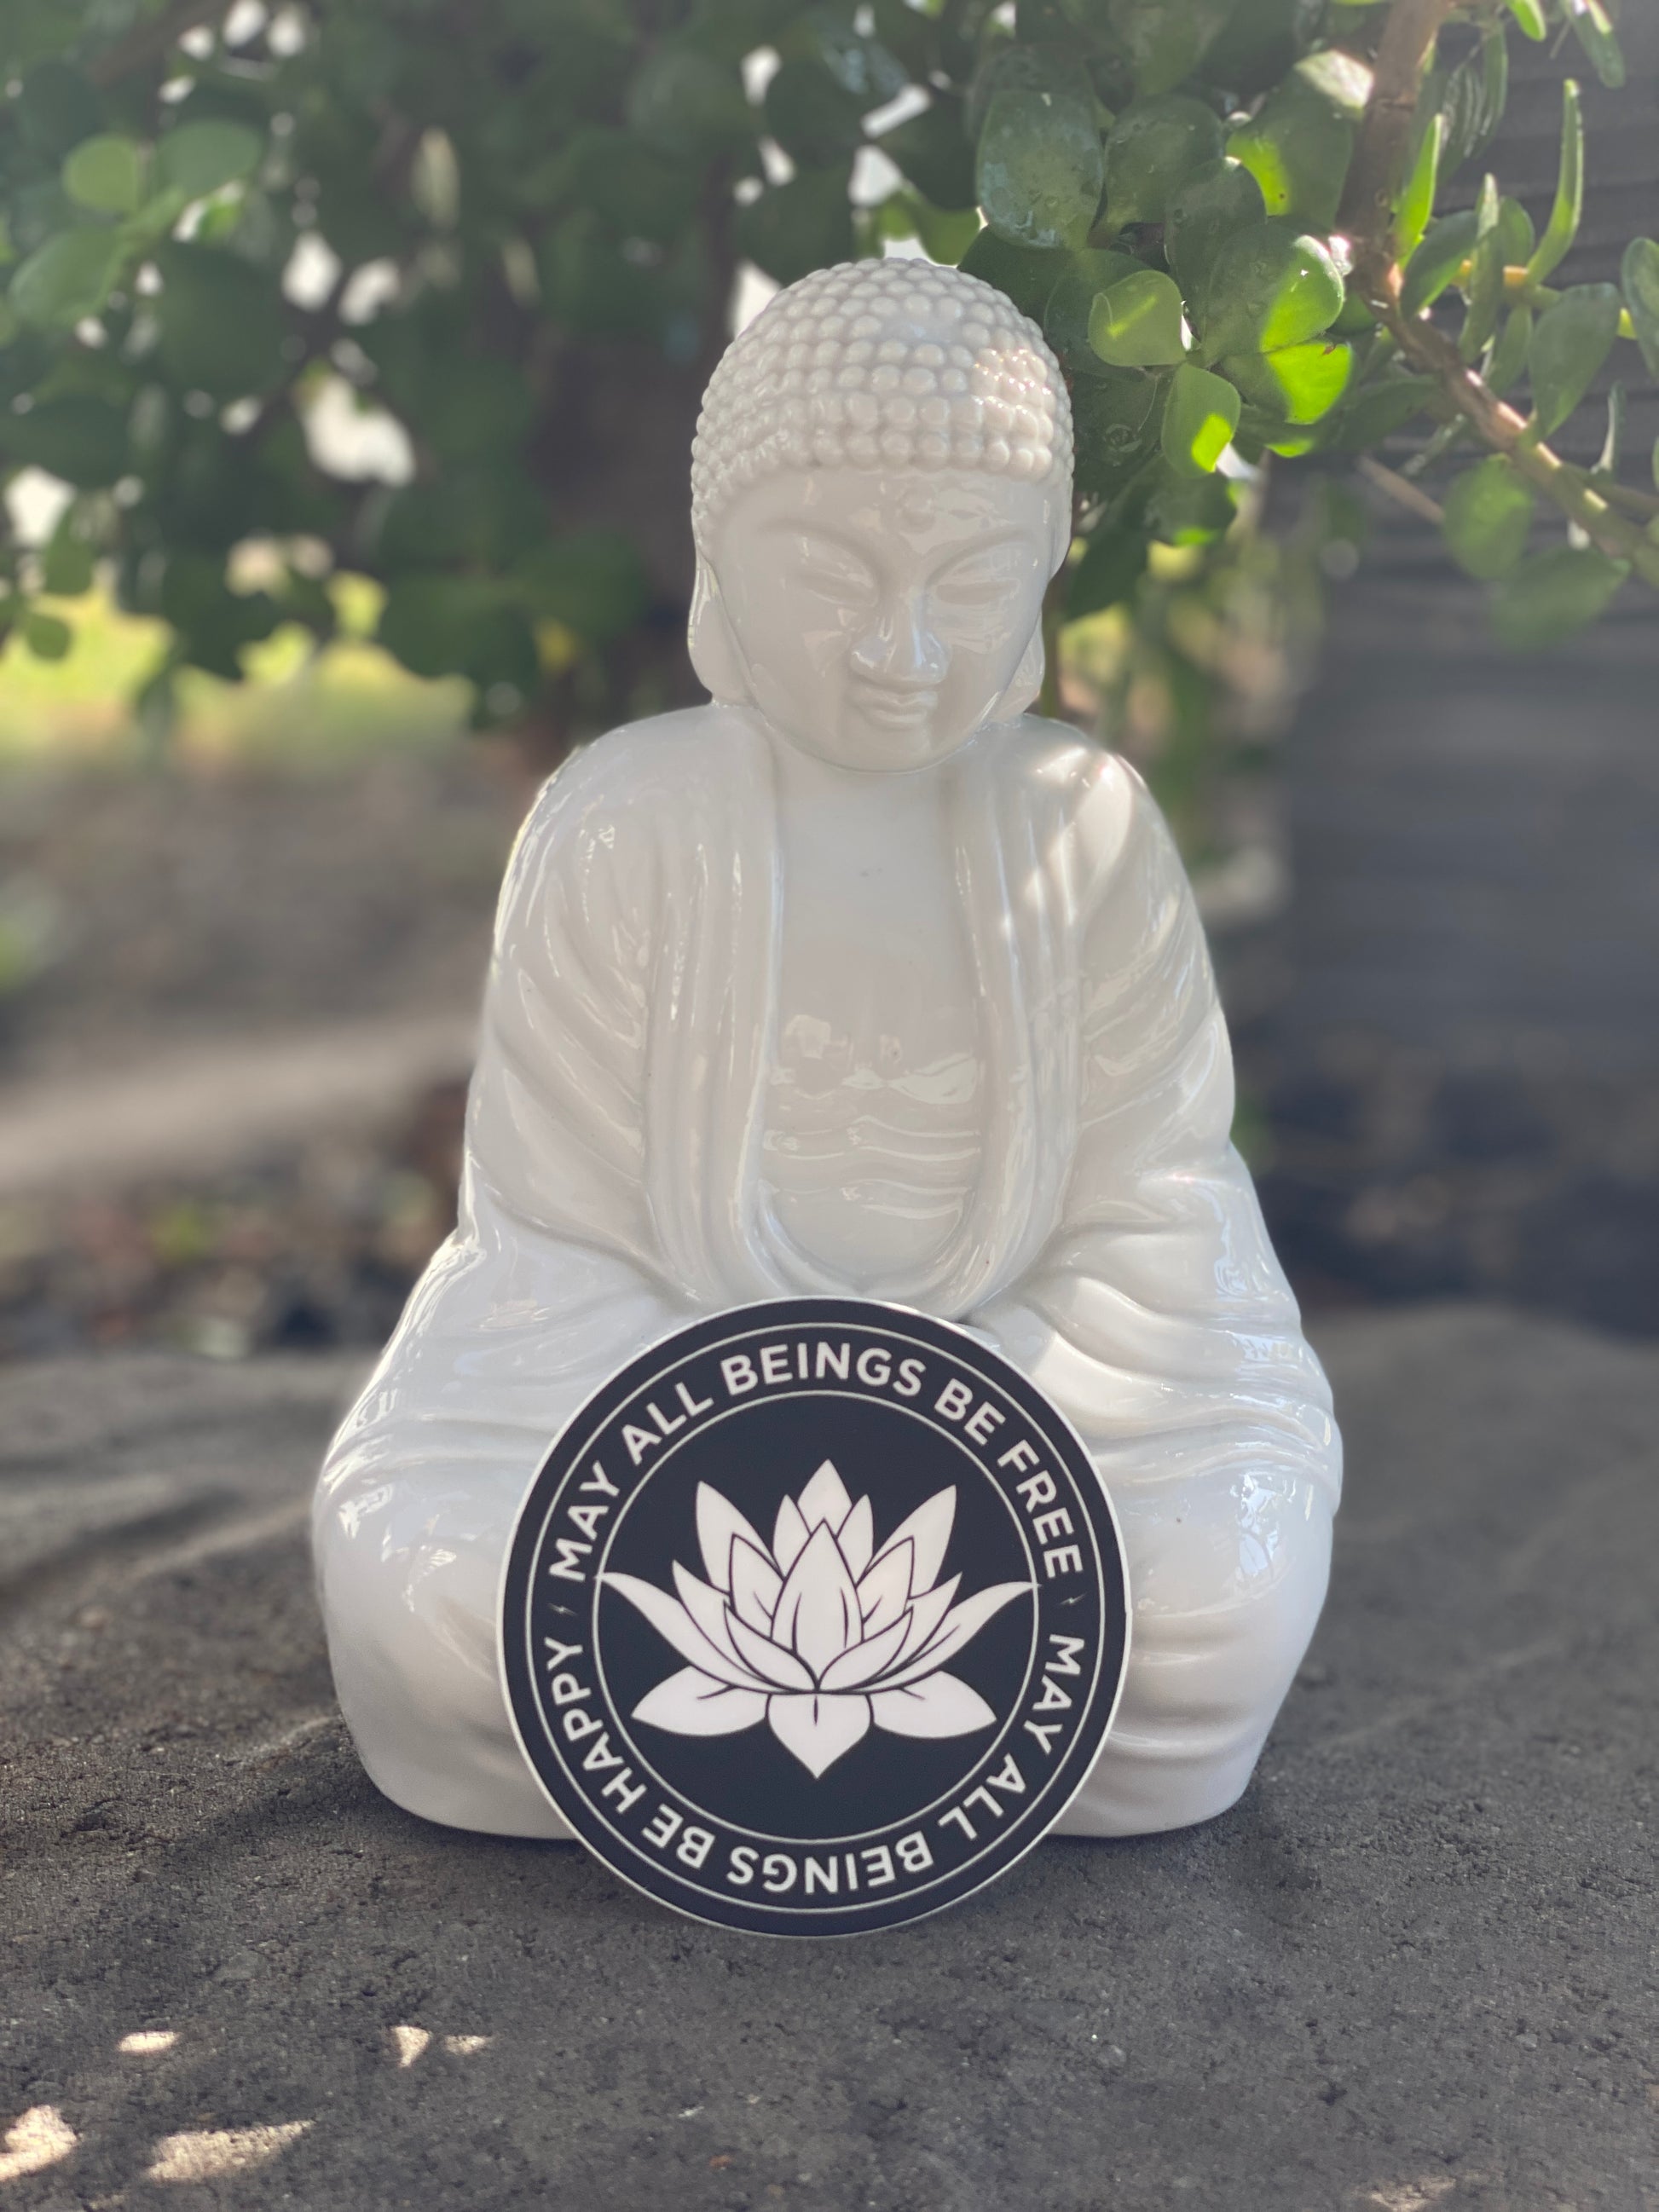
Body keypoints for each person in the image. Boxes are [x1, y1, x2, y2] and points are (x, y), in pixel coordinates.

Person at [314, 258, 1341, 1841]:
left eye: (970, 581)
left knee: (1216, 1598)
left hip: (1039, 1406)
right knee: (443, 1595)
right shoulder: (620, 823)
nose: (900, 650)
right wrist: (761, 1442)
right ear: (719, 564)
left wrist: (956, 1441)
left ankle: (802, 1722)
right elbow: (547, 1255)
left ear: (1040, 583)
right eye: (829, 575)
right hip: (648, 1413)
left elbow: (1157, 1225)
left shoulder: (1085, 832)